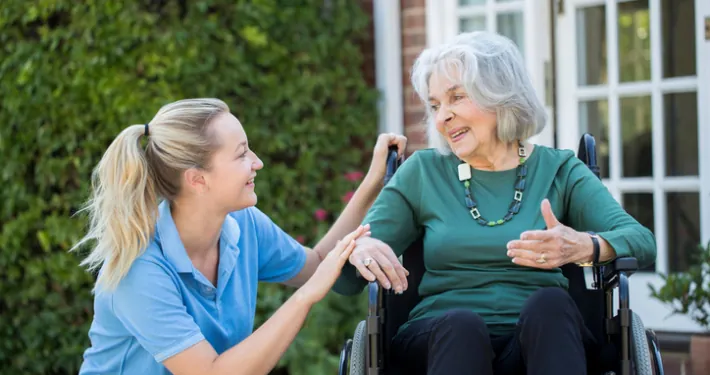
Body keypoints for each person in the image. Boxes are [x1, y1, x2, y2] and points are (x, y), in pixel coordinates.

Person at [333, 31, 657, 375]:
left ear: (501, 94)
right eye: (435, 105)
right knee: (461, 327)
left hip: (543, 340)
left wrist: (585, 246)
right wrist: (360, 247)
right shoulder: (423, 172)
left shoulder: (558, 169)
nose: (442, 117)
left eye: (456, 97)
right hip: (440, 340)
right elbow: (345, 281)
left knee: (551, 305)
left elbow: (642, 242)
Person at [72, 98, 409, 375]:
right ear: (197, 180)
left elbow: (317, 263)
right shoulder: (139, 269)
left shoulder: (242, 224)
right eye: (242, 153)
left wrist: (373, 182)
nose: (257, 162)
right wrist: (307, 296)